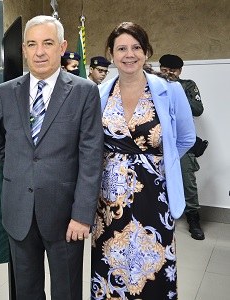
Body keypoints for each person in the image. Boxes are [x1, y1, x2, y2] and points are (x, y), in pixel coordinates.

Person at [0, 15, 104, 300]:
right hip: (19, 212)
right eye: (32, 44)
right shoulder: (5, 92)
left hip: (66, 217)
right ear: (24, 49)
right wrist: (23, 169)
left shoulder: (84, 91)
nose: (39, 52)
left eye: (47, 43)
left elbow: (91, 156)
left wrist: (82, 215)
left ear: (62, 47)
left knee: (67, 291)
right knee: (26, 291)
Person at [91, 22, 196, 299]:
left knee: (154, 267)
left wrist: (161, 165)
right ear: (111, 54)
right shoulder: (99, 94)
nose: (129, 54)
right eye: (121, 48)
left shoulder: (170, 91)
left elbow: (185, 138)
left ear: (146, 52)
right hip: (109, 198)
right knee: (111, 263)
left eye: (136, 47)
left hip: (155, 194)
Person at [159, 53, 206, 240]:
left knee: (187, 181)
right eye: (165, 69)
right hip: (158, 141)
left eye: (173, 70)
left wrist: (176, 93)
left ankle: (193, 219)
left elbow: (198, 109)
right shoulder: (153, 84)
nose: (169, 73)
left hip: (181, 142)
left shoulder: (186, 85)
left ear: (180, 71)